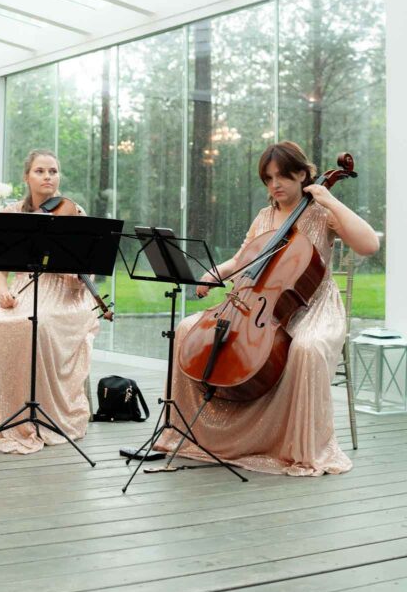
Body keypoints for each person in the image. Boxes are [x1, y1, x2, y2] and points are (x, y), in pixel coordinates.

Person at [155, 141, 380, 476]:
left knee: (305, 348)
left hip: (313, 305)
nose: (275, 185)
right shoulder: (265, 216)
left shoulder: (322, 213)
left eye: (283, 176)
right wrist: (215, 273)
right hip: (260, 302)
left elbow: (369, 245)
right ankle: (195, 434)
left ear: (302, 174)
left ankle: (294, 445)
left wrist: (330, 199)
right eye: (268, 178)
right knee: (187, 329)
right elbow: (242, 259)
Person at [0, 149, 99, 454]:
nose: (47, 177)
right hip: (25, 288)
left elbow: (88, 265)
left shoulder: (75, 212)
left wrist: (77, 278)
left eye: (53, 171)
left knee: (39, 325)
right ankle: (7, 411)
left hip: (66, 295)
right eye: (40, 171)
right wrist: (3, 292)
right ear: (27, 177)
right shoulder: (12, 213)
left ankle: (48, 410)